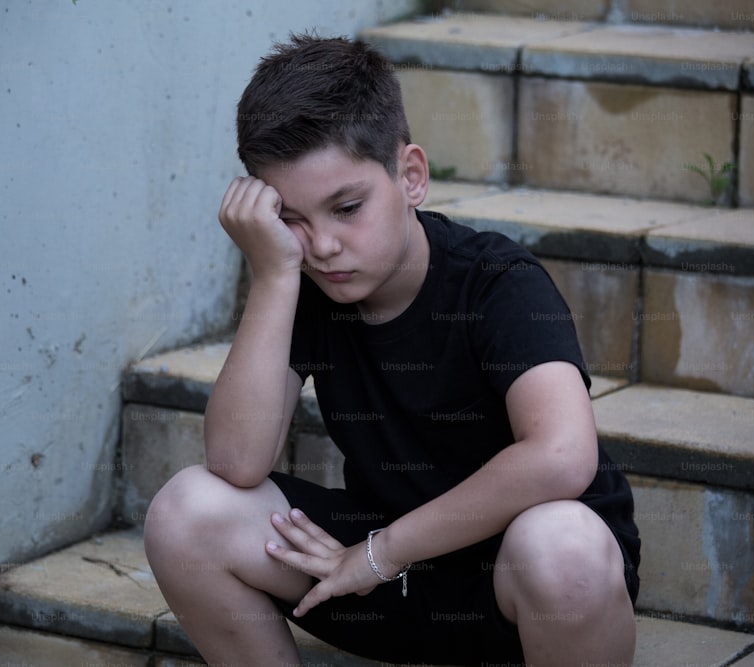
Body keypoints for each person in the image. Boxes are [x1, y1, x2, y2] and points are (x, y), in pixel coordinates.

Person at [144, 33, 640, 666]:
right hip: (392, 577)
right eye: (292, 219)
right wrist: (272, 276)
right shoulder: (302, 284)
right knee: (185, 513)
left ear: (410, 177)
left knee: (561, 542)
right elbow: (237, 462)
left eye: (346, 207)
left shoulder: (496, 282)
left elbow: (562, 456)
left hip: (524, 590)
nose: (322, 245)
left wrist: (380, 554)